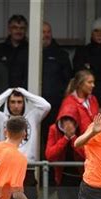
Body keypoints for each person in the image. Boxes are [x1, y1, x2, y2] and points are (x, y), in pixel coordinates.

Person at [58, 70, 101, 199]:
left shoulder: (93, 100)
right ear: (79, 84)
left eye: (93, 82)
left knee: (93, 196)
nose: (93, 85)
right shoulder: (69, 103)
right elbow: (69, 133)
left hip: (94, 153)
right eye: (89, 82)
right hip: (78, 159)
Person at [41, 21, 72, 156]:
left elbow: (69, 81)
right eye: (43, 32)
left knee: (56, 141)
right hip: (33, 108)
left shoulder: (61, 54)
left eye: (48, 32)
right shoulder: (26, 53)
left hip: (56, 107)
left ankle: (54, 175)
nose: (46, 35)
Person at [0, 14, 29, 88]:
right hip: (2, 93)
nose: (18, 31)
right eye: (15, 28)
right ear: (9, 29)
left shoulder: (31, 50)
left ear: (26, 30)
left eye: (22, 28)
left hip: (23, 94)